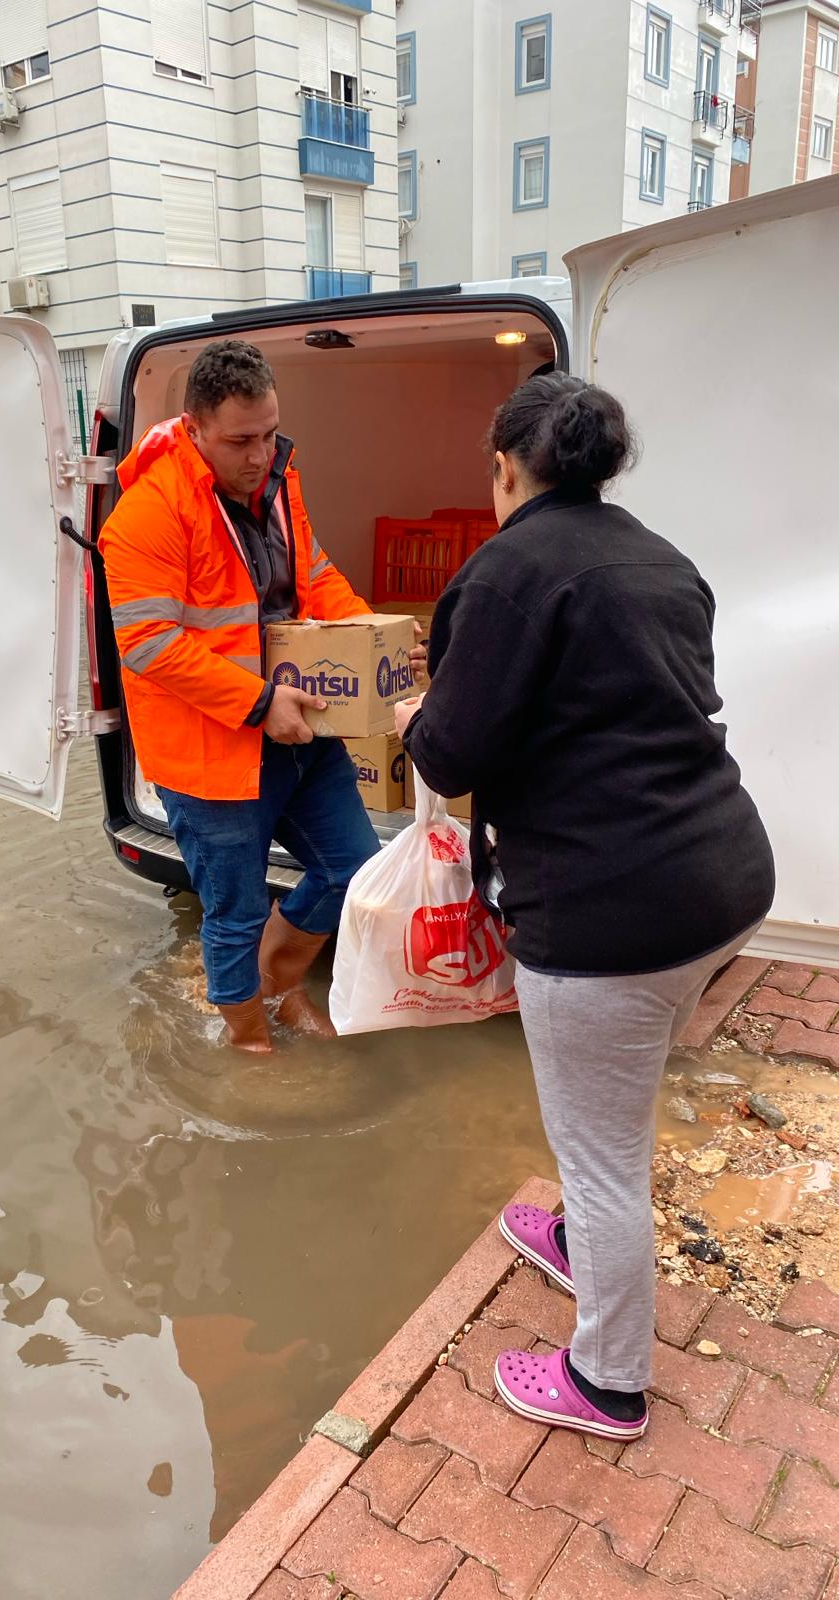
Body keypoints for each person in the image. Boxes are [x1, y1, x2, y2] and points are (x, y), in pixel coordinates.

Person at [397, 373, 775, 1440]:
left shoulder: (504, 573)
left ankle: (607, 1380)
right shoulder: (662, 558)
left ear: (505, 466)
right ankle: (575, 1238)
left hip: (611, 913)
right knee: (614, 1104)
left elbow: (457, 752)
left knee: (605, 1153)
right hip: (729, 878)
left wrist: (415, 714)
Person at [100, 340, 420, 1053]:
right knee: (233, 912)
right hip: (213, 757)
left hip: (301, 733)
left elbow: (316, 578)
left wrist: (378, 638)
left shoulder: (280, 482)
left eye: (270, 433)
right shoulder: (148, 515)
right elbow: (149, 645)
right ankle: (247, 1041)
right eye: (240, 440)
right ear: (193, 429)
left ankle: (279, 985)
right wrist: (256, 704)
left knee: (356, 873)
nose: (259, 454)